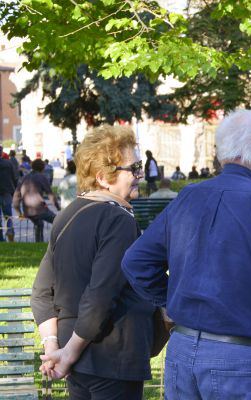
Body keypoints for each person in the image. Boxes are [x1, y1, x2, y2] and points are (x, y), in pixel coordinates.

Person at [122, 109, 251, 399]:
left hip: (184, 352)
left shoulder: (188, 197)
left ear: (220, 152)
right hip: (242, 360)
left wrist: (171, 301)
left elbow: (136, 262)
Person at [30, 125, 155, 399]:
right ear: (103, 178)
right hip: (113, 357)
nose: (140, 175)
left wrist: (56, 349)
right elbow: (100, 295)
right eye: (133, 168)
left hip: (77, 360)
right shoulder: (118, 219)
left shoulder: (66, 216)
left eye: (140, 166)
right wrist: (66, 354)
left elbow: (41, 293)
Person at [13, 159, 60, 242]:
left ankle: (39, 243)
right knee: (59, 221)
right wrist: (58, 208)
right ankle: (60, 241)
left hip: (27, 211)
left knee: (39, 224)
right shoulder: (42, 177)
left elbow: (16, 198)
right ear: (42, 168)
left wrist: (19, 213)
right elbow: (50, 194)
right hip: (39, 210)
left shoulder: (24, 178)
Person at [0, 145, 17, 242]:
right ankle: (10, 235)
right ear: (2, 153)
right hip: (7, 192)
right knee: (8, 216)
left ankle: (1, 239)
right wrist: (14, 190)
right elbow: (15, 177)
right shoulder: (9, 163)